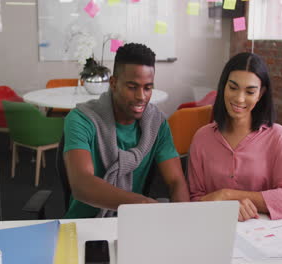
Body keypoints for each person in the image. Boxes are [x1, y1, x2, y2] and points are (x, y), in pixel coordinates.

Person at [63, 43, 190, 218]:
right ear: (113, 84)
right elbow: (81, 184)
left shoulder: (157, 124)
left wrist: (183, 218)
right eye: (132, 87)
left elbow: (176, 181)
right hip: (84, 224)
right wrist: (143, 203)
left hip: (133, 224)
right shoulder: (82, 119)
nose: (141, 97)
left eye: (147, 88)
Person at [187, 52, 282, 221]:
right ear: (223, 86)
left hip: (263, 232)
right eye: (233, 88)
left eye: (250, 92)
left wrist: (227, 196)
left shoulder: (277, 136)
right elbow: (194, 201)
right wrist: (226, 205)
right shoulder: (202, 138)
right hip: (214, 226)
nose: (239, 99)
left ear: (260, 94)